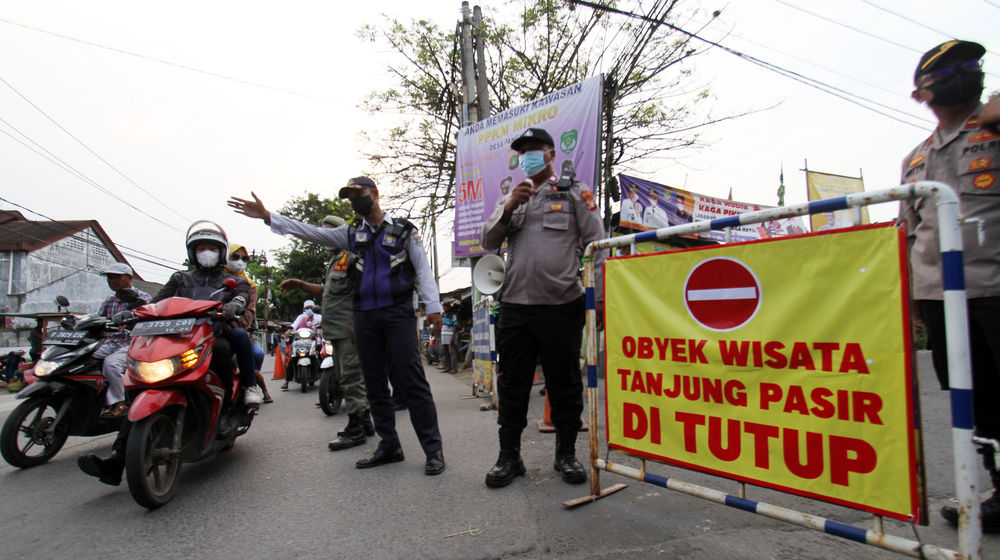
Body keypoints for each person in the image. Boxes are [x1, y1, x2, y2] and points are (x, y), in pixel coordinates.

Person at [229, 176, 446, 475]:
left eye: (359, 193)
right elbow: (312, 233)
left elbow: (423, 269)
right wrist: (269, 217)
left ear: (375, 193)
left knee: (413, 382)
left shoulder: (404, 231)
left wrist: (434, 308)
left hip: (397, 314)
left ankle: (433, 450)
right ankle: (389, 445)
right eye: (350, 196)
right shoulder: (351, 234)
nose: (355, 200)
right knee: (374, 384)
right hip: (364, 316)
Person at [898, 39, 1000, 532]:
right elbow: (908, 232)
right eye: (947, 73)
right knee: (976, 400)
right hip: (939, 296)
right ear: (921, 94)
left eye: (972, 66)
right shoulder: (916, 159)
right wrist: (910, 298)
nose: (967, 74)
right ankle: (999, 488)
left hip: (995, 288)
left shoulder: (994, 130)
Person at [78, 220, 262, 486]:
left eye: (212, 248)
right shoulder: (180, 278)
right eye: (201, 248)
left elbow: (242, 297)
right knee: (143, 387)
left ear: (221, 252)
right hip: (175, 340)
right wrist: (132, 313)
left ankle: (225, 413)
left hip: (211, 336)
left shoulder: (233, 281)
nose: (206, 252)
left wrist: (235, 304)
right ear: (192, 253)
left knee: (223, 350)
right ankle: (116, 461)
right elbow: (156, 303)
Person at [479, 127, 606, 488]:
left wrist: (599, 297)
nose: (528, 157)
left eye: (535, 149)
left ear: (551, 154)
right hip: (515, 306)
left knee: (564, 384)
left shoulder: (575, 192)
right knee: (512, 384)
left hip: (561, 304)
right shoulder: (511, 195)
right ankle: (509, 457)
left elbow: (597, 244)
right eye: (523, 152)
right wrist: (509, 207)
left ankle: (566, 455)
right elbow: (487, 241)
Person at [279, 214, 375, 451]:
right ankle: (365, 421)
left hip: (349, 329)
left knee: (351, 376)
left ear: (341, 233)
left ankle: (356, 429)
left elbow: (364, 290)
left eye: (329, 231)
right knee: (345, 374)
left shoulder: (353, 256)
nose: (324, 236)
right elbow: (327, 291)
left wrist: (357, 323)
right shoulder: (336, 260)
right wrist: (301, 284)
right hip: (336, 331)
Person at [94, 263, 151, 418]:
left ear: (129, 278)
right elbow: (99, 319)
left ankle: (119, 402)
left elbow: (149, 320)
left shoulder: (142, 298)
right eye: (110, 277)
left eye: (117, 277)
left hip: (132, 344)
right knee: (85, 358)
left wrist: (132, 321)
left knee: (111, 364)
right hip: (111, 343)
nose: (112, 280)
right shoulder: (109, 301)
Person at [225, 242, 274, 404]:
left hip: (244, 329)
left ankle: (256, 387)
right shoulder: (214, 279)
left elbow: (249, 314)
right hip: (211, 328)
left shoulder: (248, 285)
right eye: (235, 256)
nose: (239, 261)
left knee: (257, 353)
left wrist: (246, 330)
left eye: (244, 258)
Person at [437, 299, 459, 374]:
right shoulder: (442, 315)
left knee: (452, 353)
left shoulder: (453, 315)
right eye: (444, 306)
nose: (445, 307)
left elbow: (455, 325)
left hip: (450, 336)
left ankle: (454, 368)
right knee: (445, 353)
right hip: (443, 336)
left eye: (446, 306)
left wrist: (453, 337)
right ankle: (447, 368)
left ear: (449, 307)